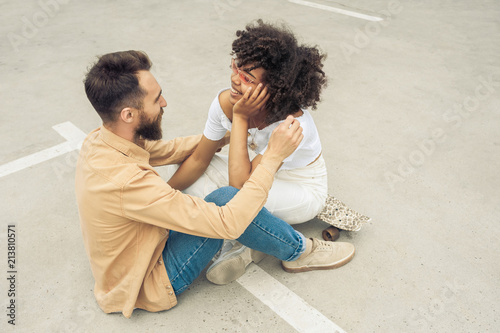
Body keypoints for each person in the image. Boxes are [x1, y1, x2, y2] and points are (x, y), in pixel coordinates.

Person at [75, 50, 355, 318]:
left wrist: (226, 136)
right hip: (148, 282)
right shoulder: (129, 183)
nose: (165, 103)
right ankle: (301, 252)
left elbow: (166, 150)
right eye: (156, 98)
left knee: (200, 177)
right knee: (227, 200)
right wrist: (271, 156)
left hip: (135, 253)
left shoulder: (100, 140)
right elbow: (228, 221)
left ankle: (253, 244)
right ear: (128, 114)